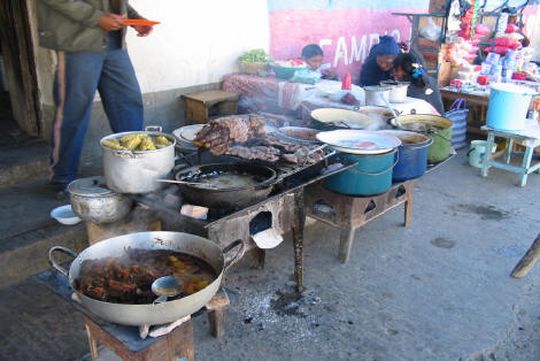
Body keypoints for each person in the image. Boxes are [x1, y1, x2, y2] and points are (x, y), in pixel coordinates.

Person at [37, 0, 153, 196]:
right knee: (73, 111)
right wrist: (97, 18)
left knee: (128, 105)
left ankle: (134, 171)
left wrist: (135, 19)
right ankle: (62, 177)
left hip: (115, 44)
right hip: (78, 42)